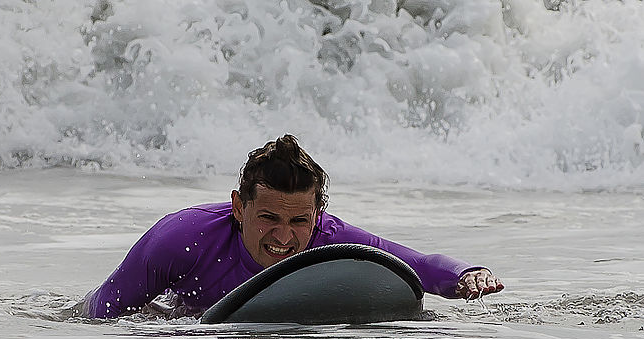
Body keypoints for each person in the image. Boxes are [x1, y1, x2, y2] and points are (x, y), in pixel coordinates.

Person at [85, 134, 504, 318]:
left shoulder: (330, 239)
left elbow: (414, 263)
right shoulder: (181, 239)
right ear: (238, 206)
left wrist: (467, 275)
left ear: (317, 217)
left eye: (298, 221)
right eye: (268, 217)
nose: (284, 237)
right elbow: (103, 312)